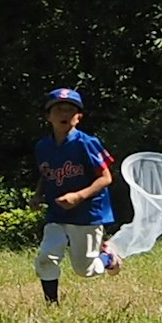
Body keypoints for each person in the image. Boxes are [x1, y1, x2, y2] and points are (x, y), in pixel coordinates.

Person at [30, 87, 117, 306]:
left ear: (78, 117)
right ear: (48, 116)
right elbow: (45, 173)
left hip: (87, 213)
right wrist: (38, 195)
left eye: (70, 110)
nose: (64, 114)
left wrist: (79, 196)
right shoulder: (43, 146)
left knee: (85, 269)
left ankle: (108, 258)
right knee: (46, 257)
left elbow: (106, 178)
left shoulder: (86, 143)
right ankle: (52, 305)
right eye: (58, 109)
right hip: (57, 212)